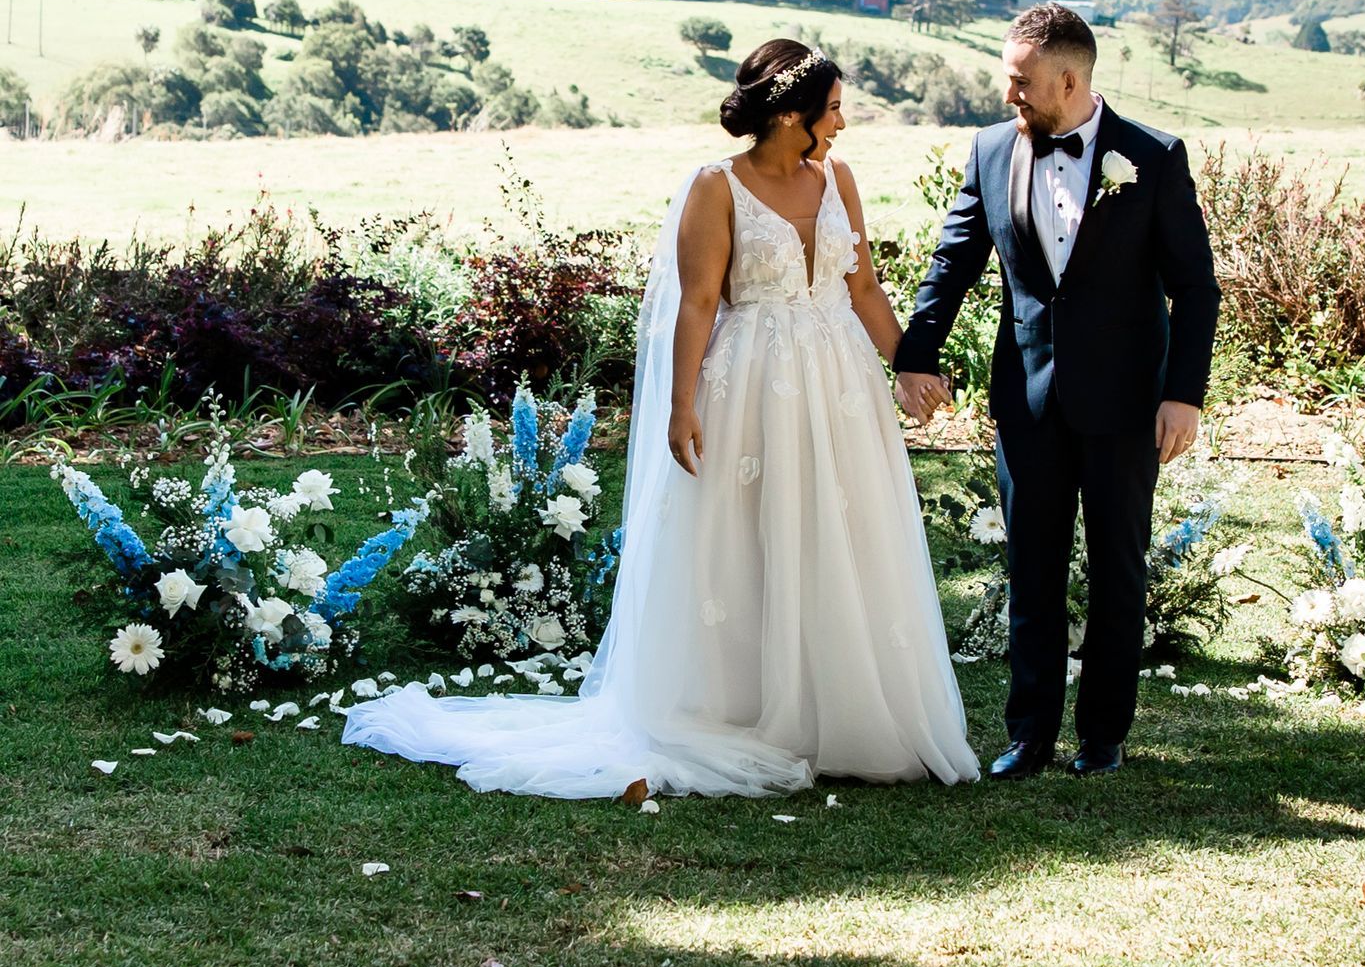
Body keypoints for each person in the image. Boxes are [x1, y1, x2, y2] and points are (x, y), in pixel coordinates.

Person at [344, 41, 979, 798]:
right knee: (748, 534)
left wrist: (909, 364)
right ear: (788, 117)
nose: (843, 123)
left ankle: (842, 711)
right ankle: (744, 707)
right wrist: (681, 406)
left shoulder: (839, 176)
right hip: (749, 383)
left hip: (840, 380)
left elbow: (865, 286)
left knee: (842, 532)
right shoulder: (717, 189)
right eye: (834, 109)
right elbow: (699, 304)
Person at [893, 2, 1220, 777]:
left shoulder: (1153, 156)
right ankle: (1028, 736)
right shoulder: (989, 151)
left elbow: (1195, 289)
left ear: (1068, 79)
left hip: (1127, 404)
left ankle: (1103, 737)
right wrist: (914, 353)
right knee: (1032, 572)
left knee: (1118, 568)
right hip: (1028, 402)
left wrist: (1185, 395)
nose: (1011, 96)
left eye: (1021, 81)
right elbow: (954, 262)